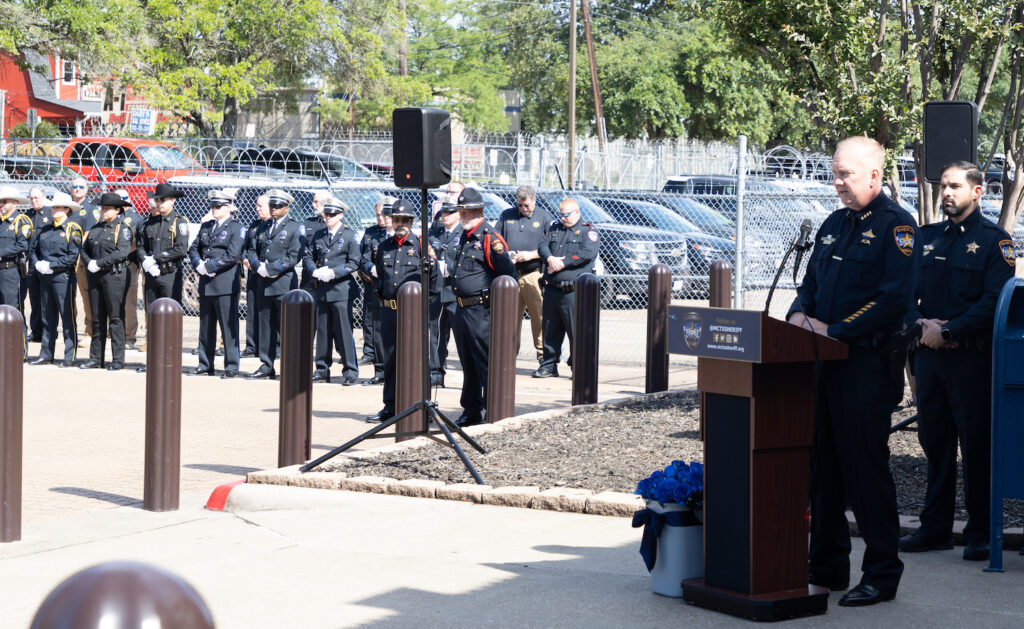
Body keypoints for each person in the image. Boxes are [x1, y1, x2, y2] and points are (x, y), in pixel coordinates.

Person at [786, 136, 917, 607]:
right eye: (835, 173)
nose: (836, 182)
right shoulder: (832, 224)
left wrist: (835, 329)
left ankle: (882, 574)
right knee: (821, 470)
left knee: (864, 472)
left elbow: (893, 300)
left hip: (865, 365)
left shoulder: (896, 228)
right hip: (822, 365)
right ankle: (827, 566)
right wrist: (800, 315)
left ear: (874, 176)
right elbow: (810, 286)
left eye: (846, 174)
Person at [899, 161, 1015, 561]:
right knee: (935, 444)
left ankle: (981, 532)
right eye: (943, 186)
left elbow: (994, 303)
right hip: (929, 361)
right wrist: (921, 326)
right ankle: (935, 528)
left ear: (977, 191)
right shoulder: (926, 238)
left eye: (954, 186)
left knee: (977, 447)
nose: (946, 192)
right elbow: (904, 296)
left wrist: (949, 331)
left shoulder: (994, 243)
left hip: (970, 362)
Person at [364, 199, 438, 422]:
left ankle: (422, 407)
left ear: (412, 221)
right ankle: (391, 406)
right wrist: (381, 296)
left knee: (418, 359)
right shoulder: (384, 246)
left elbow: (434, 281)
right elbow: (378, 276)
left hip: (414, 314)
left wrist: (425, 309)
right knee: (390, 359)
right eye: (396, 219)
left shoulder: (422, 246)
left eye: (405, 220)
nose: (400, 223)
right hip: (389, 311)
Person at [450, 188, 516, 426]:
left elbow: (508, 276)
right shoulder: (465, 237)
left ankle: (494, 408)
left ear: (479, 212)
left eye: (467, 212)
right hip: (462, 310)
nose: (463, 216)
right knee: (468, 363)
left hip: (481, 310)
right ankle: (471, 409)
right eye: (461, 212)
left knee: (484, 361)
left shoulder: (490, 239)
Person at [533, 197, 599, 378]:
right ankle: (548, 365)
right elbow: (542, 246)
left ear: (577, 212)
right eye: (561, 214)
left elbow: (587, 254)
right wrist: (550, 259)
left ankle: (578, 367)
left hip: (573, 291)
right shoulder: (555, 228)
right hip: (552, 288)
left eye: (567, 214)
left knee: (575, 332)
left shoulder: (588, 231)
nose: (563, 218)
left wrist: (563, 264)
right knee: (550, 329)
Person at [246, 189, 305, 379]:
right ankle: (266, 364)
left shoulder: (295, 227)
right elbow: (252, 249)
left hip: (283, 283)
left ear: (287, 208)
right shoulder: (263, 227)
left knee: (285, 327)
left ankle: (289, 365)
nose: (273, 209)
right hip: (263, 282)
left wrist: (271, 269)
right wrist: (258, 266)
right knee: (265, 326)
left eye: (278, 206)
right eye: (272, 205)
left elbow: (294, 256)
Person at [188, 188, 246, 378]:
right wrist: (198, 264)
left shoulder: (236, 228)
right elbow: (194, 248)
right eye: (212, 205)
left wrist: (211, 266)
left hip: (224, 282)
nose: (214, 209)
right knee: (206, 326)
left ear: (228, 207)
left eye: (218, 206)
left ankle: (231, 365)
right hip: (206, 282)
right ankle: (205, 363)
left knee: (228, 328)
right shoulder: (207, 227)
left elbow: (233, 254)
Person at [304, 198, 361, 385]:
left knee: (344, 332)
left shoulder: (350, 235)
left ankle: (350, 370)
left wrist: (333, 273)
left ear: (341, 215)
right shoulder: (319, 235)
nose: (327, 217)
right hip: (321, 288)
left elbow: (354, 263)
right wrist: (314, 270)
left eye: (332, 214)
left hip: (341, 289)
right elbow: (308, 255)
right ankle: (321, 369)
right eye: (326, 214)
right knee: (323, 331)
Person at [79, 193, 133, 370]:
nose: (103, 211)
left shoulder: (122, 229)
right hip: (95, 276)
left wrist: (99, 263)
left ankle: (118, 359)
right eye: (102, 208)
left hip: (114, 276)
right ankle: (96, 358)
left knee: (116, 318)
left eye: (107, 208)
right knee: (97, 318)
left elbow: (122, 252)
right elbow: (84, 249)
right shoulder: (95, 228)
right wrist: (89, 263)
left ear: (117, 210)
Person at [29, 191, 82, 367]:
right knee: (47, 317)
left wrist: (51, 265)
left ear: (67, 209)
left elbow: (72, 256)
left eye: (58, 207)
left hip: (63, 277)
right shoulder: (45, 229)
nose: (54, 210)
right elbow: (33, 250)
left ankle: (70, 355)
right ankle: (46, 354)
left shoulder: (71, 229)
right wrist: (37, 264)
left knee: (67, 316)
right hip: (44, 277)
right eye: (53, 207)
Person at [496, 185, 547, 363]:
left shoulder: (543, 217)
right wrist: (505, 254)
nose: (524, 209)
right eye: (520, 205)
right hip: (510, 275)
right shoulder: (506, 215)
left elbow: (552, 246)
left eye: (527, 205)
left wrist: (531, 254)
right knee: (509, 319)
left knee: (539, 318)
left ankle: (544, 359)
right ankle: (508, 358)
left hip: (533, 273)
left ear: (534, 200)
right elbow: (496, 240)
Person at [359, 196, 395, 385]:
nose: (383, 218)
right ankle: (380, 370)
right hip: (377, 287)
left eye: (387, 214)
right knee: (377, 330)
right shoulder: (375, 236)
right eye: (380, 215)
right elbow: (364, 258)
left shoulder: (404, 237)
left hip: (396, 291)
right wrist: (370, 269)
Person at [427, 202, 462, 387]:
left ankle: (470, 372)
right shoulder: (434, 235)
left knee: (461, 334)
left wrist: (448, 267)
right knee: (436, 334)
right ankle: (435, 372)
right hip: (437, 290)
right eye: (443, 212)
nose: (445, 215)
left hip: (455, 291)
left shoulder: (463, 235)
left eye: (450, 212)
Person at [0, 186, 35, 352]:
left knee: (14, 311)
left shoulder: (21, 221)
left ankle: (20, 350)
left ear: (15, 203)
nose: (1, 205)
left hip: (11, 271)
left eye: (5, 202)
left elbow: (23, 245)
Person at [68, 177, 98, 345]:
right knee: (67, 295)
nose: (77, 189)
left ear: (87, 190)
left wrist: (78, 252)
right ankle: (70, 329)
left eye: (81, 187)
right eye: (74, 187)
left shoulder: (90, 209)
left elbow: (88, 233)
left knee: (86, 294)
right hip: (65, 256)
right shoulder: (68, 208)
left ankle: (90, 331)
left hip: (80, 257)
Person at [242, 194, 271, 358]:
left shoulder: (273, 225)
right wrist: (245, 258)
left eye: (261, 206)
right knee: (252, 309)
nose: (257, 209)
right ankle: (251, 345)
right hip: (253, 272)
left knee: (267, 310)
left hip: (268, 272)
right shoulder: (254, 226)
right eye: (257, 205)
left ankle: (272, 345)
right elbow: (245, 246)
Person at [113, 188, 142, 351]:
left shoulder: (135, 219)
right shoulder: (113, 216)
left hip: (128, 263)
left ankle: (129, 336)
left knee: (129, 302)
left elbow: (136, 243)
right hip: (111, 264)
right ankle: (115, 333)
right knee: (113, 300)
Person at [21, 186, 51, 342]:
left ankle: (48, 330)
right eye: (31, 198)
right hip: (32, 263)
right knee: (34, 298)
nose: (33, 200)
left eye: (36, 198)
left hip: (46, 262)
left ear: (43, 197)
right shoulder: (27, 215)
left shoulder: (50, 213)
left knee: (47, 299)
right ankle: (37, 331)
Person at [300, 190, 330, 291]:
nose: (313, 205)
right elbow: (302, 247)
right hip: (309, 276)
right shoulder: (308, 223)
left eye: (316, 202)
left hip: (328, 275)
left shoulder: (336, 224)